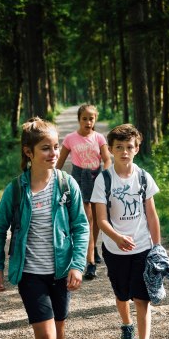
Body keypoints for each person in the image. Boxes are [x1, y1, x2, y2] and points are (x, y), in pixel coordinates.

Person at [0, 117, 89, 339]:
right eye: (46, 148)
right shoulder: (16, 190)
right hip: (31, 274)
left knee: (59, 331)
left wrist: (77, 264)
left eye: (56, 147)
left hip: (60, 272)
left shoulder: (66, 184)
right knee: (45, 338)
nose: (54, 153)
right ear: (28, 152)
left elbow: (81, 227)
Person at [90, 124, 161, 339]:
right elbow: (100, 220)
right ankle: (126, 324)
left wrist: (157, 247)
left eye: (129, 147)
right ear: (110, 150)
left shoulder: (143, 177)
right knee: (122, 294)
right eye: (118, 147)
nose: (124, 152)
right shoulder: (104, 179)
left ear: (137, 149)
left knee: (142, 299)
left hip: (142, 247)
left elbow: (151, 215)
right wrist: (118, 237)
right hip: (114, 249)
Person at [57, 104, 112, 280]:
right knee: (87, 219)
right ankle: (90, 263)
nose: (88, 122)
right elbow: (59, 162)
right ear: (79, 119)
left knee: (96, 218)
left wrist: (105, 175)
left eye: (91, 118)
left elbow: (107, 160)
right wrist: (53, 179)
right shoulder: (70, 138)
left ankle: (93, 248)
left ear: (95, 119)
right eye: (85, 119)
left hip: (97, 177)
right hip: (79, 178)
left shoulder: (99, 138)